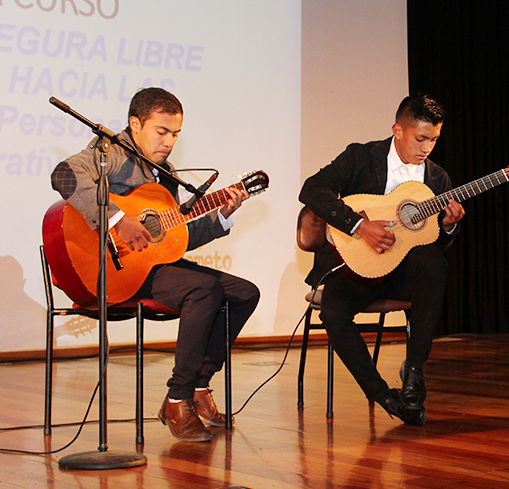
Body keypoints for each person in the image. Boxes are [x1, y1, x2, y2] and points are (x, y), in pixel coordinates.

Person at [50, 87, 260, 441]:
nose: (169, 142)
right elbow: (63, 176)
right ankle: (177, 400)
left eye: (175, 134)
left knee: (244, 293)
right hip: (111, 271)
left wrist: (221, 216)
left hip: (151, 268)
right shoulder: (110, 153)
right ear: (135, 124)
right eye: (161, 132)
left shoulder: (166, 175)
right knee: (203, 288)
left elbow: (172, 240)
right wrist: (118, 219)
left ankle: (196, 387)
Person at [299, 93, 464, 425]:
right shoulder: (361, 156)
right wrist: (360, 226)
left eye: (434, 139)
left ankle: (414, 369)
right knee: (333, 312)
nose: (427, 147)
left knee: (434, 264)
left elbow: (434, 245)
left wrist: (449, 226)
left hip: (401, 273)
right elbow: (312, 189)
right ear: (398, 130)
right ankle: (383, 395)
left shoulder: (437, 180)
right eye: (421, 138)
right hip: (355, 268)